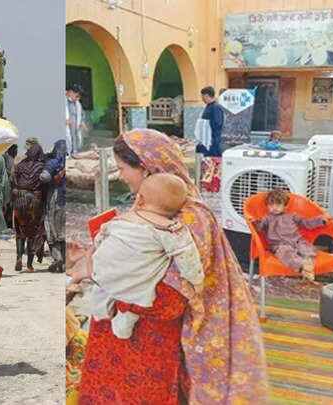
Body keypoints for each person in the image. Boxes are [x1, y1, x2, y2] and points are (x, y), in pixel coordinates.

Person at [76, 129, 268, 404]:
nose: (120, 176)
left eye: (122, 168)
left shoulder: (189, 220)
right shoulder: (160, 206)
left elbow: (172, 299)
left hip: (148, 347)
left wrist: (110, 282)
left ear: (146, 168)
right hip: (128, 342)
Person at [87, 174, 203, 340]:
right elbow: (188, 258)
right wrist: (196, 281)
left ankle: (101, 311)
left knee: (103, 289)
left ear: (139, 199)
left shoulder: (122, 219)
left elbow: (101, 237)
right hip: (135, 287)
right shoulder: (170, 229)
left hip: (103, 275)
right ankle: (126, 319)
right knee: (141, 293)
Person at [251, 189, 330, 281]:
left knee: (307, 249)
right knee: (286, 254)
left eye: (278, 204)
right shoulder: (267, 218)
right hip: (280, 244)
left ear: (285, 206)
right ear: (267, 206)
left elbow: (306, 223)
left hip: (297, 241)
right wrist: (255, 222)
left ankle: (307, 262)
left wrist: (321, 220)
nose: (274, 207)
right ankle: (302, 267)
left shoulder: (292, 216)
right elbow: (260, 228)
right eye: (271, 205)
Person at [12, 144, 46, 272]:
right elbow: (44, 184)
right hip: (34, 201)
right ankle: (30, 265)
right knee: (32, 233)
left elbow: (13, 180)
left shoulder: (20, 165)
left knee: (20, 233)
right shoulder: (41, 167)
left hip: (20, 199)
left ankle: (18, 258)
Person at [40, 140, 67, 273]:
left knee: (52, 230)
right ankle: (64, 262)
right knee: (63, 232)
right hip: (65, 202)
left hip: (54, 200)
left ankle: (58, 259)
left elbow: (44, 177)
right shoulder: (66, 162)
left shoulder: (53, 162)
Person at [195, 86, 225, 157]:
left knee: (212, 162)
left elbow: (218, 124)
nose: (202, 99)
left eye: (202, 97)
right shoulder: (208, 106)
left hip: (212, 141)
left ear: (207, 96)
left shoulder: (216, 107)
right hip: (206, 140)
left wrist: (207, 128)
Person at [66, 85, 86, 155]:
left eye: (79, 97)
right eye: (77, 96)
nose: (78, 99)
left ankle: (74, 152)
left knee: (74, 138)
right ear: (71, 92)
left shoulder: (77, 104)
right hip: (65, 127)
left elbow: (82, 113)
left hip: (75, 126)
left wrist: (82, 122)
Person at [3, 145, 18, 229]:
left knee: (9, 207)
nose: (16, 152)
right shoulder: (6, 158)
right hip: (6, 187)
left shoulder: (10, 159)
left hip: (9, 187)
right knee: (6, 207)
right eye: (15, 150)